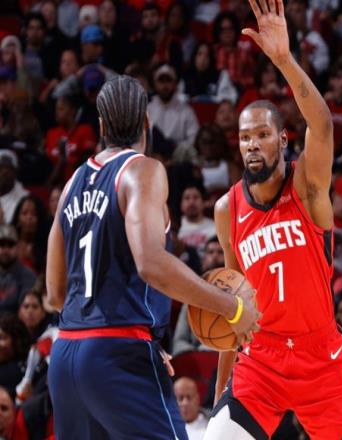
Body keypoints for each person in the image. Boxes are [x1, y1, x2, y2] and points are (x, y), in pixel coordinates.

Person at [45, 75, 260, 440]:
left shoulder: (71, 184)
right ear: (147, 122)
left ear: (101, 126)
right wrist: (231, 307)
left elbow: (54, 293)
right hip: (117, 354)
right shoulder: (141, 170)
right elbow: (150, 263)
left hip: (65, 355)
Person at [204, 1, 342, 438]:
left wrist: (283, 60)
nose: (252, 144)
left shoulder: (307, 187)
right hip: (261, 360)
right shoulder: (227, 209)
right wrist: (220, 395)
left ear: (282, 139)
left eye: (262, 134)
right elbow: (234, 302)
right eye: (244, 137)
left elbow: (324, 125)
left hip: (321, 359)